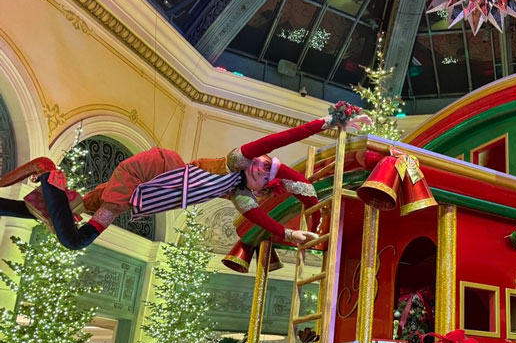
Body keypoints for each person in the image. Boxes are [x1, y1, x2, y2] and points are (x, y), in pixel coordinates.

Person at [0, 104, 369, 250]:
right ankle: (46, 170)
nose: (262, 164)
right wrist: (328, 123)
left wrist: (289, 233)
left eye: (266, 172)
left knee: (69, 209)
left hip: (142, 191)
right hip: (145, 176)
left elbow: (259, 217)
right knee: (76, 240)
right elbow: (280, 138)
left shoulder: (237, 193)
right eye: (263, 162)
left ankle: (13, 202)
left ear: (259, 189)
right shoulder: (232, 164)